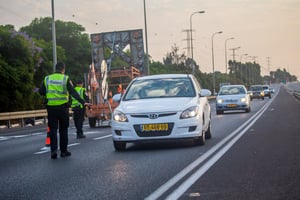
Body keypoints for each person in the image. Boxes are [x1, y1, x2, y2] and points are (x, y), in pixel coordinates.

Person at [38, 62, 89, 159]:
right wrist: (83, 102)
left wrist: (49, 94)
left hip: (51, 108)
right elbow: (73, 92)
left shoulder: (47, 78)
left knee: (53, 130)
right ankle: (63, 151)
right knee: (63, 130)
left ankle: (53, 151)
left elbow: (41, 92)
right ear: (63, 69)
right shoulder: (65, 78)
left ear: (55, 68)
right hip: (63, 108)